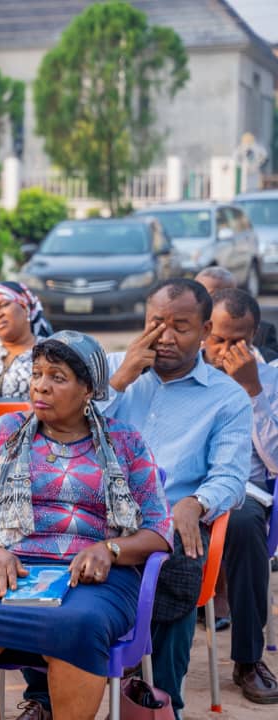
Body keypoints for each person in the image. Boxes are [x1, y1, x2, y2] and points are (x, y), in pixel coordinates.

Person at [19, 279, 253, 719]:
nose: (164, 337)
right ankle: (44, 697)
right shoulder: (105, 371)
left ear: (205, 330)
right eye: (155, 323)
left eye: (180, 327)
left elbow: (231, 477)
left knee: (178, 565)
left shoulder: (227, 398)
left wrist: (197, 503)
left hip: (165, 518)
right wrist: (119, 382)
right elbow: (53, 432)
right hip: (86, 509)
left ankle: (158, 701)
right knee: (36, 554)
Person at [0, 331, 174, 720]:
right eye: (38, 373)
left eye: (57, 377)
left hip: (93, 573)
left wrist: (109, 549)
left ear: (88, 391)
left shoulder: (124, 441)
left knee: (79, 623)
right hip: (10, 564)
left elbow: (159, 529)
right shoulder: (3, 433)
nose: (41, 385)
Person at [201, 289, 278, 703]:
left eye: (240, 340)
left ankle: (248, 660)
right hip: (182, 489)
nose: (227, 350)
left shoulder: (272, 379)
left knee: (246, 523)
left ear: (256, 334)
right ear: (203, 332)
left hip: (241, 494)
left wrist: (253, 392)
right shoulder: (185, 375)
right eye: (219, 339)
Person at [195, 266, 278, 362]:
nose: (224, 352)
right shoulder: (185, 358)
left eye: (237, 342)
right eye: (218, 340)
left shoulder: (267, 362)